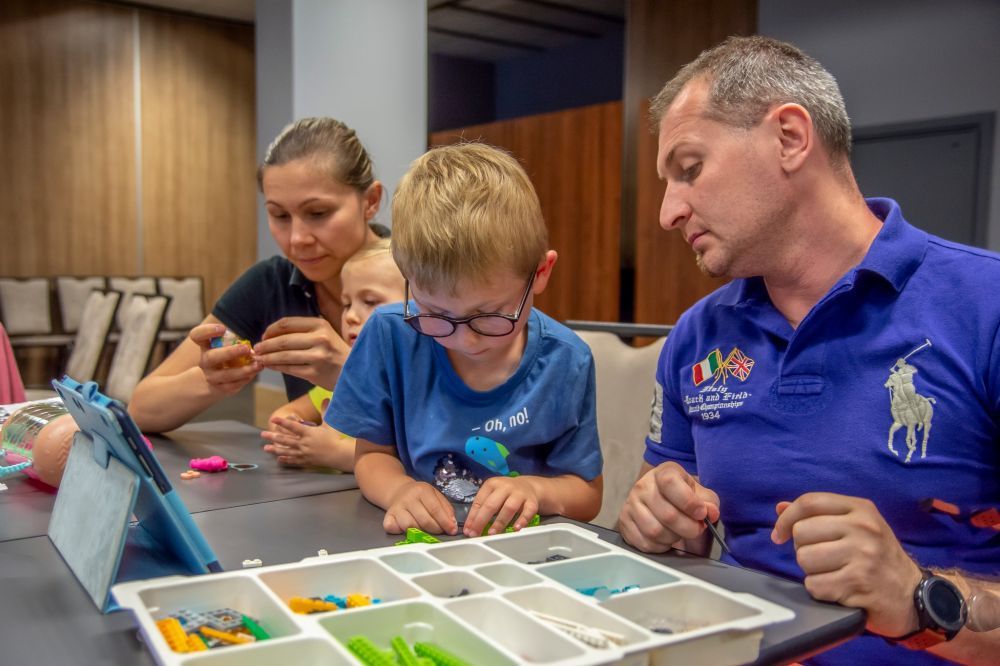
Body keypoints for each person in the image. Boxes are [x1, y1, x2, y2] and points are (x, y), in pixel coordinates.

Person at [617, 36, 999, 665]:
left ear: (790, 138)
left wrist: (918, 597)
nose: (667, 212)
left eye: (689, 169)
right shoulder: (695, 337)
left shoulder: (986, 309)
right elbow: (671, 543)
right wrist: (655, 521)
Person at [327, 143, 604, 538]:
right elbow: (371, 456)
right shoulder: (389, 334)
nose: (466, 339)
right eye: (436, 315)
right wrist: (400, 490)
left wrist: (534, 489)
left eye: (490, 315)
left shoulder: (566, 360)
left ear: (541, 272)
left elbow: (587, 493)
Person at [128, 118, 388, 433]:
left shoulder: (421, 280)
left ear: (370, 201)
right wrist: (212, 380)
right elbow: (142, 410)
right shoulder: (269, 284)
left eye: (318, 213)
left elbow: (456, 427)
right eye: (279, 215)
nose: (296, 239)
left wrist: (345, 371)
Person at [261, 238, 405, 470]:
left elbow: (416, 458)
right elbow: (287, 412)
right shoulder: (337, 379)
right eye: (346, 304)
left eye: (369, 301)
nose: (350, 316)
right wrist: (295, 430)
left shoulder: (416, 386)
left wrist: (335, 452)